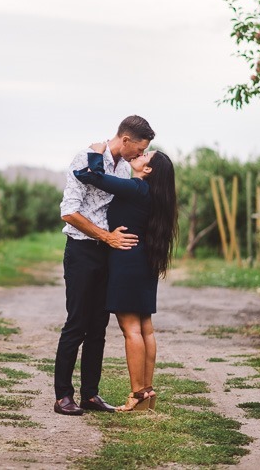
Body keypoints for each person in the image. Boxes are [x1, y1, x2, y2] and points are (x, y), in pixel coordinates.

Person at [53, 115, 155, 416]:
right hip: (82, 251)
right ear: (125, 140)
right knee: (77, 323)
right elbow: (69, 212)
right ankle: (63, 396)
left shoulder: (126, 169)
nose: (140, 154)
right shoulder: (85, 157)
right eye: (140, 148)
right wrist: (105, 236)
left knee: (99, 326)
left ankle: (90, 395)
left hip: (109, 255)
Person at [73, 142, 178, 412]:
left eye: (146, 155)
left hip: (127, 261)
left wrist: (96, 154)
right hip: (144, 261)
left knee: (131, 329)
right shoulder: (154, 194)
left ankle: (137, 395)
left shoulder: (137, 187)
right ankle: (147, 390)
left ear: (149, 168)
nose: (140, 155)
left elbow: (89, 176)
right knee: (145, 328)